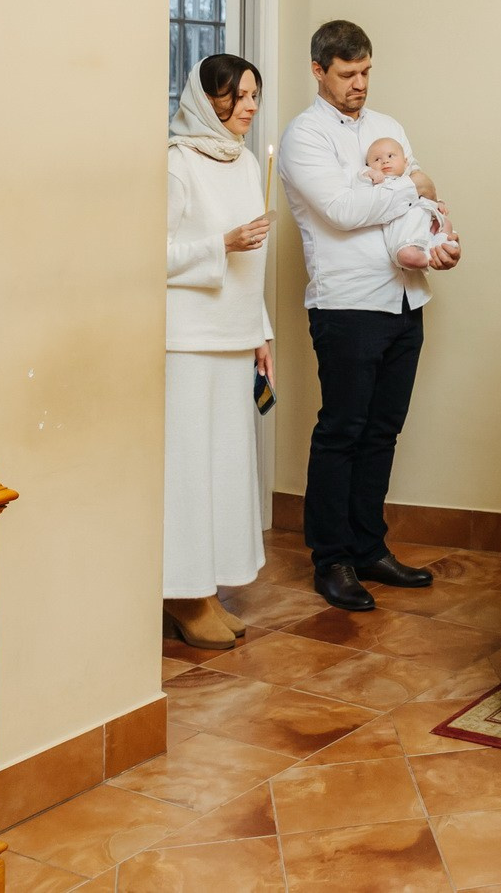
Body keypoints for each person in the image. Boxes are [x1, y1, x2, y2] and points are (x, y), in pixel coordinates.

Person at [278, 20, 461, 612]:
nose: (359, 84)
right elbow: (341, 210)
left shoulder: (387, 127)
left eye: (365, 72)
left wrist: (415, 206)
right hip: (347, 302)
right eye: (347, 74)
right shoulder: (305, 136)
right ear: (319, 72)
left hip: (407, 296)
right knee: (343, 431)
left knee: (383, 430)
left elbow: (424, 193)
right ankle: (331, 559)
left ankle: (368, 547)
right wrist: (407, 188)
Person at [164, 54, 273, 649]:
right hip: (187, 342)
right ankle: (182, 595)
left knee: (224, 468)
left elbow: (249, 263)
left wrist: (261, 333)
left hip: (233, 337)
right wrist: (220, 243)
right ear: (209, 100)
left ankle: (205, 589)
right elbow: (151, 253)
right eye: (240, 95)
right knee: (188, 470)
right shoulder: (177, 165)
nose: (252, 105)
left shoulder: (247, 161)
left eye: (256, 94)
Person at [361, 135, 452, 271]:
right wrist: (370, 174)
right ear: (369, 166)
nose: (385, 161)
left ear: (405, 162)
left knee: (446, 223)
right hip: (404, 236)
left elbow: (426, 195)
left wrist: (438, 202)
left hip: (426, 225)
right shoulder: (379, 182)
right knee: (407, 256)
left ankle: (440, 242)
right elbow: (361, 180)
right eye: (377, 159)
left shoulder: (411, 178)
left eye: (391, 156)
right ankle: (430, 257)